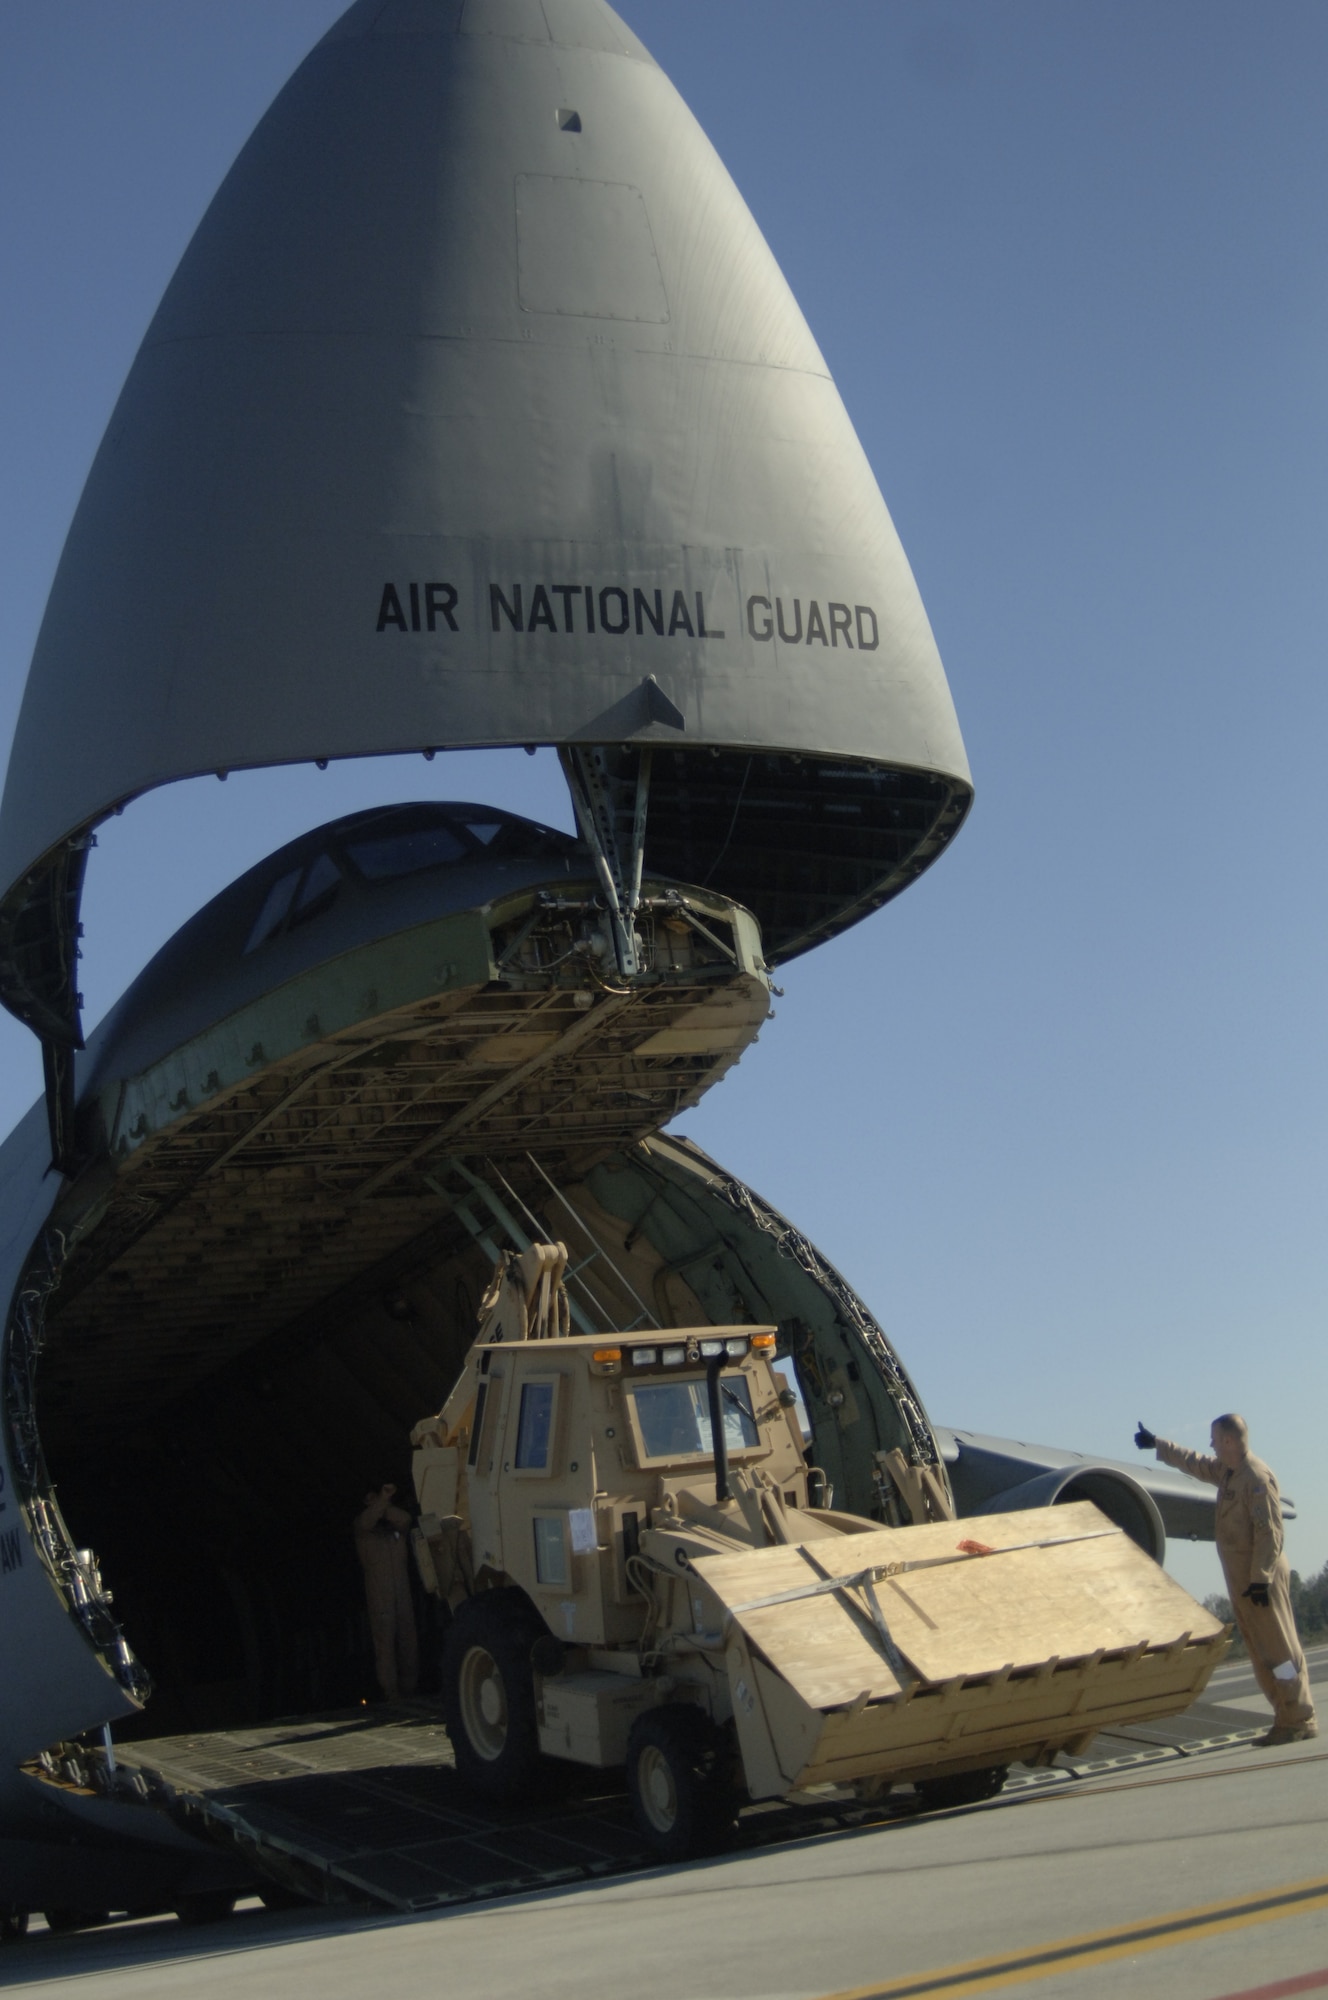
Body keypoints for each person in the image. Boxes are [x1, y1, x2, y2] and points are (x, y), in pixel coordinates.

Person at [1134, 1414, 1316, 1745]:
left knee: (1279, 1650)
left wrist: (1260, 1579)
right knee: (1262, 1651)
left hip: (1260, 1579)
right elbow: (1196, 1463)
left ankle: (1298, 1718)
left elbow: (1270, 1533)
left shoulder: (1255, 1478)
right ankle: (1286, 1717)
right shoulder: (1229, 1472)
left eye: (1215, 1439)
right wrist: (1158, 1444)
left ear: (1229, 1441)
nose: (1211, 1445)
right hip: (1245, 1580)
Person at [353, 1482, 420, 1703]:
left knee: (408, 1642)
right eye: (370, 1500)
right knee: (385, 1644)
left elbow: (405, 1519)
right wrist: (381, 1500)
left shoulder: (395, 1533)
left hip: (402, 1594)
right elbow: (367, 1520)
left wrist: (384, 1503)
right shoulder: (363, 1532)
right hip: (380, 1597)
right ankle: (390, 1691)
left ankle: (409, 1688)